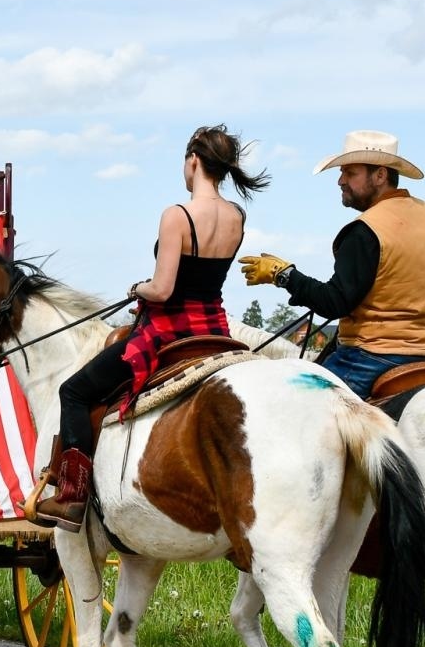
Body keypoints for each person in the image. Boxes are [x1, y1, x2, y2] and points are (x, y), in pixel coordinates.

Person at [34, 125, 269, 531]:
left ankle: (72, 496)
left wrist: (135, 287)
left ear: (193, 160)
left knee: (72, 391)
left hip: (168, 331)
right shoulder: (236, 217)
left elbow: (162, 290)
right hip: (213, 331)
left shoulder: (177, 215)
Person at [239, 130, 425, 399]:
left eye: (350, 173)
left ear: (380, 175)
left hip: (373, 357)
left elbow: (335, 302)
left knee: (286, 405)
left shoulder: (367, 229)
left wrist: (283, 275)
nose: (340, 181)